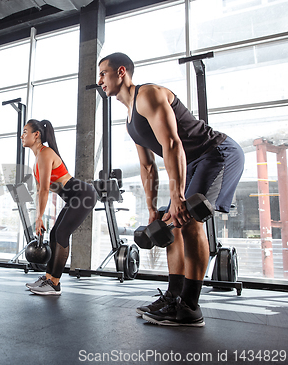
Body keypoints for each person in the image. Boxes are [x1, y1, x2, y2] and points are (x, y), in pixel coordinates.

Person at [97, 53, 244, 326]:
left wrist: (177, 197)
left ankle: (190, 307)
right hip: (194, 163)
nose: (99, 81)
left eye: (103, 74)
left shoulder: (148, 95)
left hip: (217, 154)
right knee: (168, 221)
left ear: (121, 72)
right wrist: (153, 208)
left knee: (187, 219)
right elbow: (148, 166)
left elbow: (173, 144)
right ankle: (174, 297)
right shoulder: (130, 118)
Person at [21, 119, 97, 296]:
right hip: (74, 197)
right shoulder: (37, 160)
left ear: (36, 135)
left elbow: (46, 189)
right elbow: (40, 190)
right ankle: (49, 277)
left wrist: (39, 217)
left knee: (62, 233)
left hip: (83, 194)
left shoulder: (45, 153)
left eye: (25, 132)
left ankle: (54, 283)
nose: (21, 135)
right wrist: (38, 217)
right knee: (55, 233)